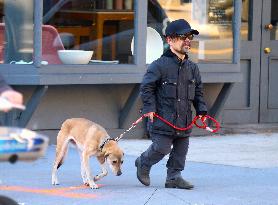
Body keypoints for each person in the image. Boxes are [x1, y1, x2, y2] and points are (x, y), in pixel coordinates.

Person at [135, 19, 207, 189]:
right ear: (169, 40)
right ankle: (143, 163)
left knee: (181, 151)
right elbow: (146, 88)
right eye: (183, 36)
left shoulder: (193, 68)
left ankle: (174, 177)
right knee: (162, 148)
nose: (187, 40)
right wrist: (149, 108)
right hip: (162, 119)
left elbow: (198, 92)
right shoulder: (158, 65)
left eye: (189, 36)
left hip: (184, 119)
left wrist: (202, 110)